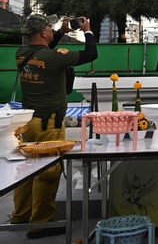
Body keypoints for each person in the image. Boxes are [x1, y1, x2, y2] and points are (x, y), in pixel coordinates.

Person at [13, 14, 97, 239]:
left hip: (27, 122)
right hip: (49, 123)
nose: (51, 30)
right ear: (42, 33)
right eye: (49, 28)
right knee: (47, 173)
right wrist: (87, 30)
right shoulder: (53, 57)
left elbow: (45, 53)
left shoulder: (22, 55)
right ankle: (40, 223)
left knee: (25, 171)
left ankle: (20, 216)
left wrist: (60, 32)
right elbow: (91, 54)